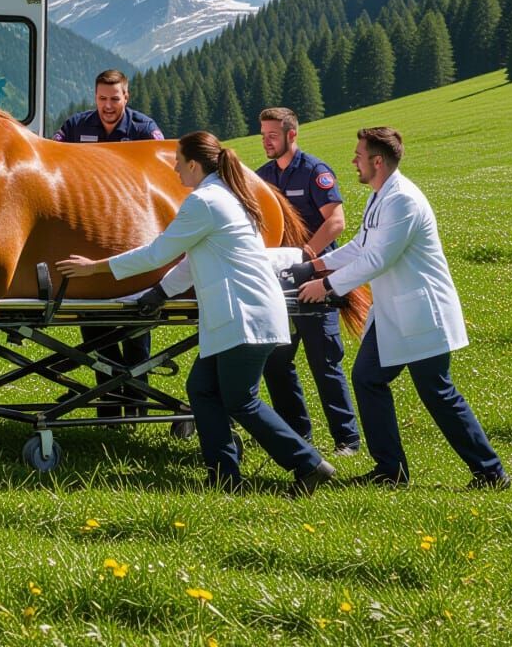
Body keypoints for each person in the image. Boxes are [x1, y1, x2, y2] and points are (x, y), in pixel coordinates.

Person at [57, 131, 336, 495]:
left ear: (193, 164)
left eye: (177, 160)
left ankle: (309, 463)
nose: (173, 167)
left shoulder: (204, 201)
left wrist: (95, 268)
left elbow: (157, 254)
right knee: (202, 389)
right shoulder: (225, 197)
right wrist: (159, 292)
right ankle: (224, 476)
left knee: (241, 400)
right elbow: (193, 259)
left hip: (244, 317)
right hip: (240, 315)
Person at [297, 127, 510, 489]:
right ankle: (390, 471)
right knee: (367, 378)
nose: (353, 161)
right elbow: (361, 246)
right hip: (395, 315)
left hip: (422, 314)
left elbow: (378, 259)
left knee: (437, 392)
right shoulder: (380, 196)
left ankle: (491, 472)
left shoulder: (403, 200)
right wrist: (314, 265)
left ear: (377, 161)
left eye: (358, 155)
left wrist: (326, 285)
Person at [53, 70, 164, 416]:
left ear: (126, 97)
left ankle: (136, 401)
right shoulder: (75, 127)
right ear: (95, 97)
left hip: (133, 233)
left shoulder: (146, 131)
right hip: (89, 235)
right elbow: (50, 158)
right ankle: (110, 397)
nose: (108, 106)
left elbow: (164, 171)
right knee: (93, 324)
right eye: (102, 98)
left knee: (135, 325)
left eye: (115, 99)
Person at [256, 107, 360, 457]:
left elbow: (336, 222)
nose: (266, 141)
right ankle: (298, 435)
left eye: (272, 134)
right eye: (263, 134)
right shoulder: (262, 177)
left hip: (315, 279)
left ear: (292, 135)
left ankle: (347, 440)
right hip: (277, 284)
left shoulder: (316, 172)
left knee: (324, 360)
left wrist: (305, 257)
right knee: (276, 361)